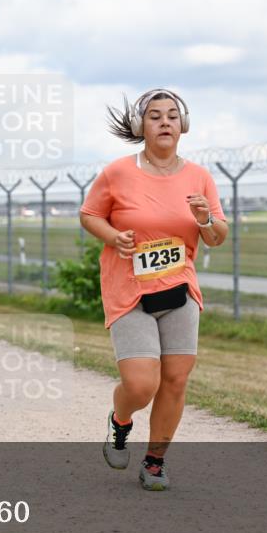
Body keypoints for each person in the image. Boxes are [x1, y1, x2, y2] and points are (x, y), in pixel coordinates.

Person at [80, 88, 228, 491]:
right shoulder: (117, 173)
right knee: (142, 384)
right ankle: (120, 420)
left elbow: (217, 236)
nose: (165, 122)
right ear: (140, 126)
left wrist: (204, 219)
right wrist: (113, 237)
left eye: (172, 116)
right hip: (129, 290)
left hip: (180, 289)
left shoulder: (199, 177)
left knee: (176, 379)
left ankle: (155, 461)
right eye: (155, 116)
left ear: (183, 125)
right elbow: (89, 215)